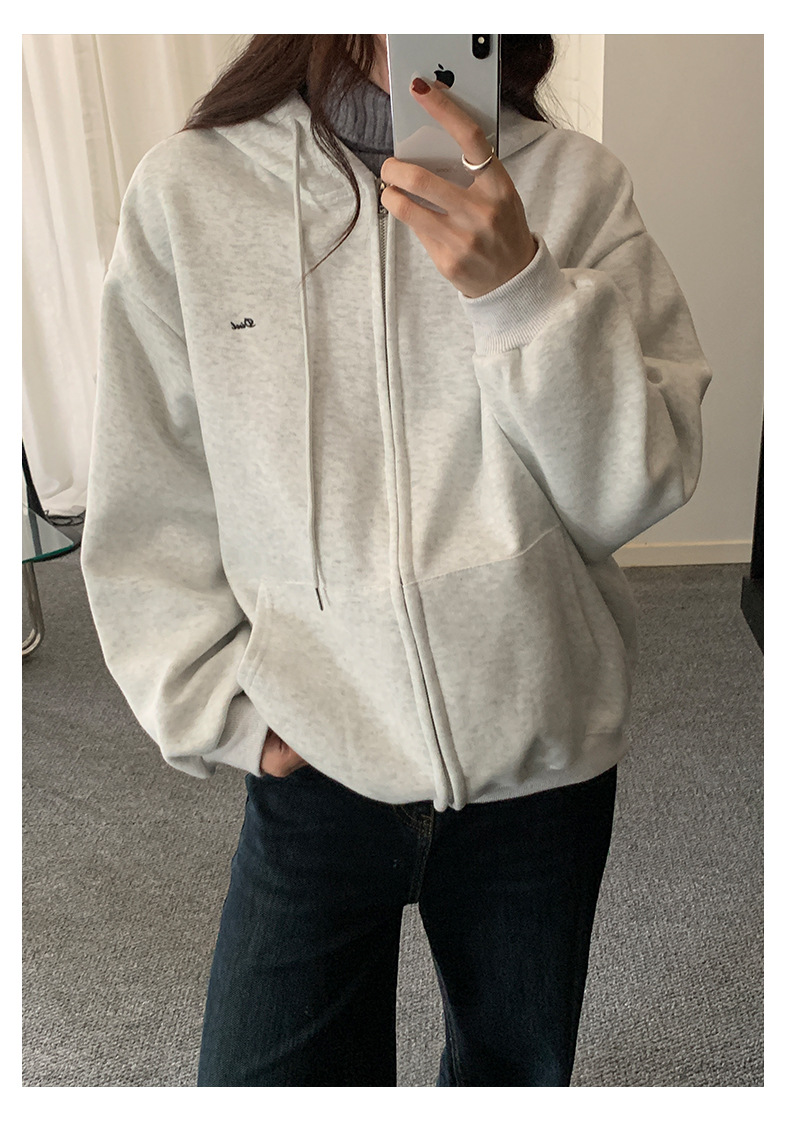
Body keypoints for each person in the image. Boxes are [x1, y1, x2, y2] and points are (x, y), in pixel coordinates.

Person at [80, 34, 712, 1087]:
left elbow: (635, 487)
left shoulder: (576, 184)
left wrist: (521, 292)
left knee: (511, 1076)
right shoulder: (190, 190)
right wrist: (213, 701)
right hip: (318, 747)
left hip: (539, 753)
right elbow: (151, 479)